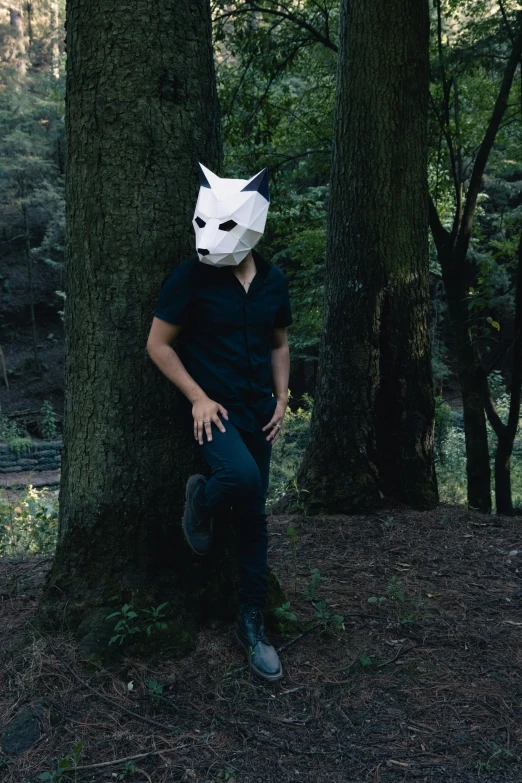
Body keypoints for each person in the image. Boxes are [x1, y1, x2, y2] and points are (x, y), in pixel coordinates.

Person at [146, 163, 292, 682]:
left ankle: (251, 624)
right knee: (242, 480)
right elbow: (158, 345)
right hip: (218, 411)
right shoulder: (190, 278)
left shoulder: (272, 279)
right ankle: (199, 499)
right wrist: (197, 398)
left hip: (260, 411)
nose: (211, 239)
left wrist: (282, 396)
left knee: (254, 517)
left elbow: (279, 341)